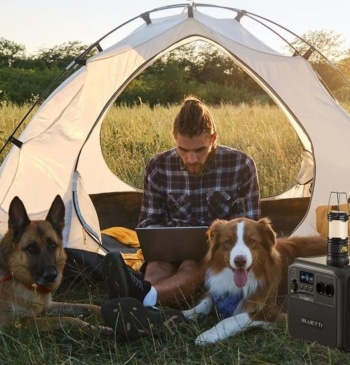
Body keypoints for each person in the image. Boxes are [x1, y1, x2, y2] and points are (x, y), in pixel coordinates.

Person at [101, 96, 260, 337]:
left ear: (213, 138)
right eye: (183, 150)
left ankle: (137, 299)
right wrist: (161, 240)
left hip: (220, 256)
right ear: (174, 139)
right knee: (156, 264)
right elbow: (149, 223)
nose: (191, 158)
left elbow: (250, 231)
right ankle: (147, 311)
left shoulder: (240, 165)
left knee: (191, 267)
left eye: (200, 150)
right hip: (170, 251)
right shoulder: (159, 166)